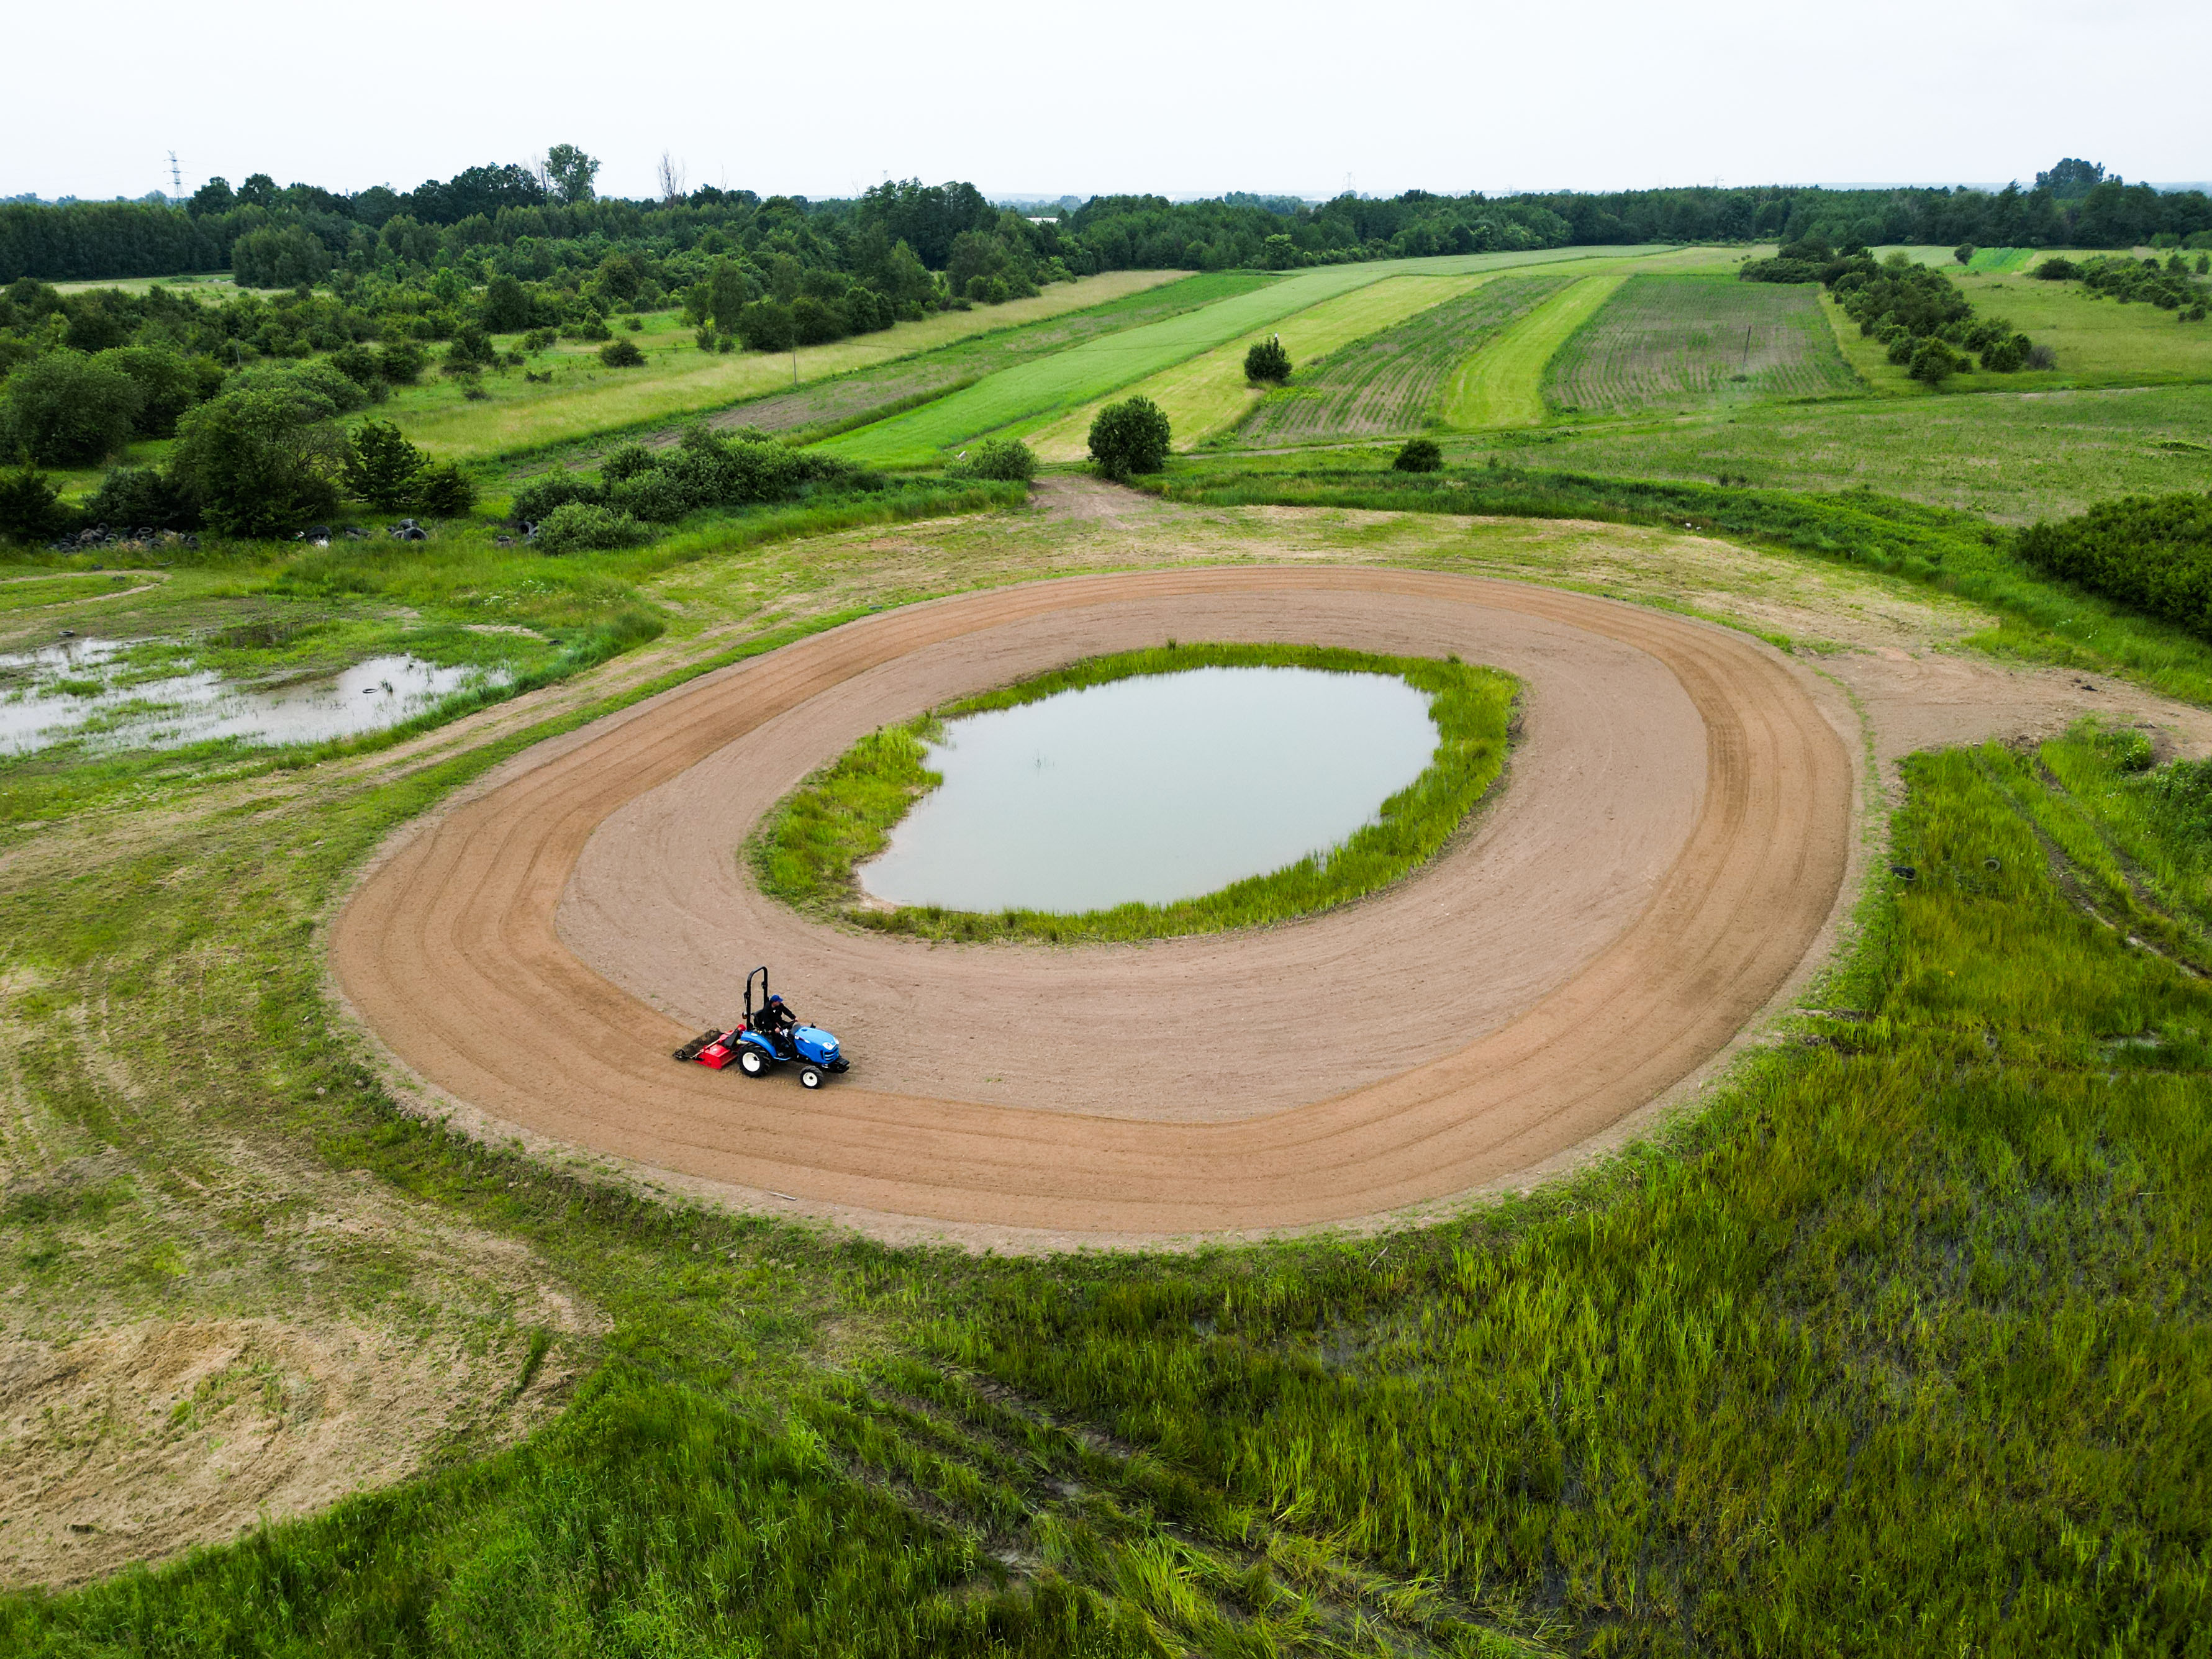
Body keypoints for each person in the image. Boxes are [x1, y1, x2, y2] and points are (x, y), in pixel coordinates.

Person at [756, 992, 799, 1056]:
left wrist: (794, 1017)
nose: (780, 1002)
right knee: (777, 1035)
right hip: (770, 1024)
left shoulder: (780, 1005)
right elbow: (767, 1021)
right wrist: (775, 1027)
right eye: (778, 1001)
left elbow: (786, 1011)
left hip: (778, 1021)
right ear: (774, 1002)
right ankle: (778, 1050)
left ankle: (790, 1044)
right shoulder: (767, 1009)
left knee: (789, 1027)